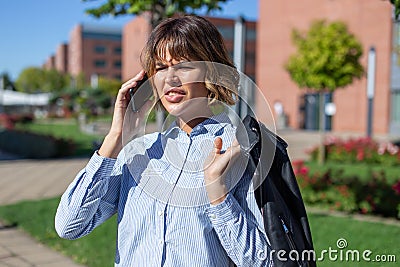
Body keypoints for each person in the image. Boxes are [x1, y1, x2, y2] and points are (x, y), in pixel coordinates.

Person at [55, 15, 273, 267]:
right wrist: (115, 137)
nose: (170, 78)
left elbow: (262, 261)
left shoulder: (239, 149)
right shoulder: (138, 152)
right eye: (160, 68)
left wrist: (218, 193)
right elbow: (70, 226)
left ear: (211, 71)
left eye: (183, 65)